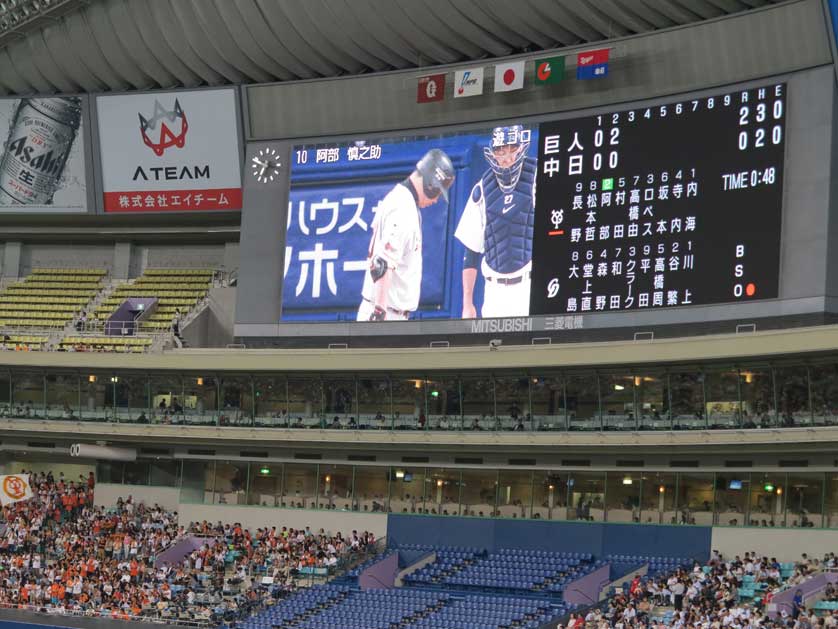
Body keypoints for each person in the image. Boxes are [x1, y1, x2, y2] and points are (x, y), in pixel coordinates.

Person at [357, 148, 455, 322]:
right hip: (385, 314)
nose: (436, 199)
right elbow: (381, 264)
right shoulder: (403, 207)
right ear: (430, 184)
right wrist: (379, 313)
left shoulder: (401, 199)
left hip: (388, 312)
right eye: (438, 192)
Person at [455, 124, 537, 318]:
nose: (506, 157)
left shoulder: (537, 176)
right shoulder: (483, 187)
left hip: (528, 285)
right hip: (494, 291)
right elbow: (471, 251)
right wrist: (467, 304)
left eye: (511, 149)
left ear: (521, 147)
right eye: (500, 150)